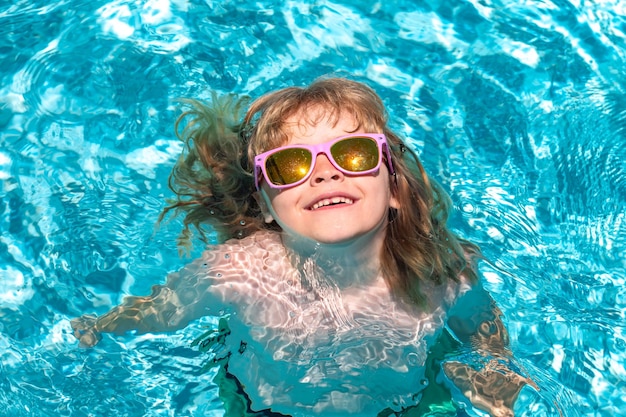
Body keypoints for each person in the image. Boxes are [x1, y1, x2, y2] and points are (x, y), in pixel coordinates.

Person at [72, 77, 535, 416]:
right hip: (263, 408)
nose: (326, 172)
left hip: (410, 406)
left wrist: (493, 378)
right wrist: (103, 325)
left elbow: (480, 326)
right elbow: (165, 309)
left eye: (354, 153)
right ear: (268, 206)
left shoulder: (439, 272)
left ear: (394, 186)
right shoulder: (237, 271)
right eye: (291, 164)